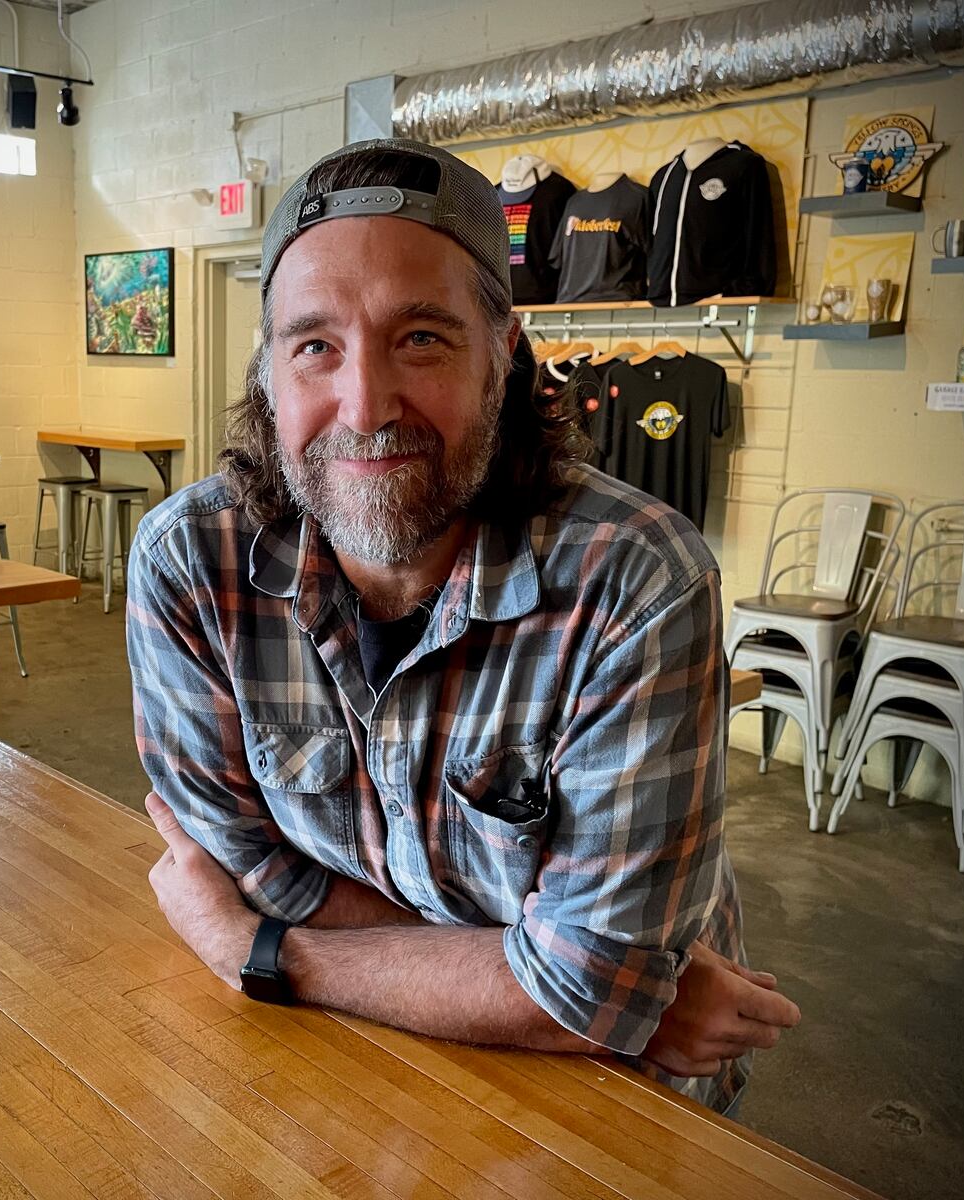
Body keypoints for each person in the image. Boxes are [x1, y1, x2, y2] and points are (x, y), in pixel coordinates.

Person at [126, 138, 799, 1115]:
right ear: (268, 372)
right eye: (315, 346)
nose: (365, 407)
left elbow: (591, 996)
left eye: (421, 339)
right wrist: (548, 980)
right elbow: (242, 862)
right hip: (364, 1065)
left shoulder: (633, 579)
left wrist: (262, 951)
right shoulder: (192, 564)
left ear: (504, 355)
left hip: (610, 1096)